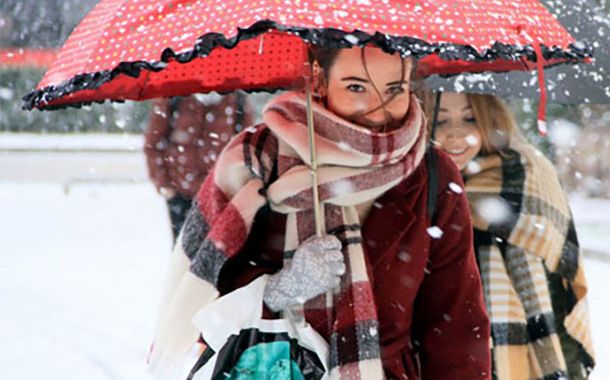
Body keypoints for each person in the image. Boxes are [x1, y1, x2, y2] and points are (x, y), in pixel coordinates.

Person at [149, 46, 490, 380]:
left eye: (394, 89)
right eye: (356, 86)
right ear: (318, 79)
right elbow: (199, 306)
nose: (377, 109)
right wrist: (278, 290)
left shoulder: (431, 174)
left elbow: (456, 324)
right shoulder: (254, 161)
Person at [420, 91, 596, 380]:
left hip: (520, 354)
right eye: (440, 121)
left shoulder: (528, 175)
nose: (455, 134)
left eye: (470, 118)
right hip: (438, 346)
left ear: (489, 120)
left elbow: (558, 289)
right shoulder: (414, 184)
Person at [143, 91, 254, 243]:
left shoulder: (236, 99)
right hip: (181, 193)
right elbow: (153, 143)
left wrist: (239, 184)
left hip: (220, 193)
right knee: (183, 253)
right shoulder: (173, 96)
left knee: (218, 252)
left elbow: (248, 146)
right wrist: (163, 184)